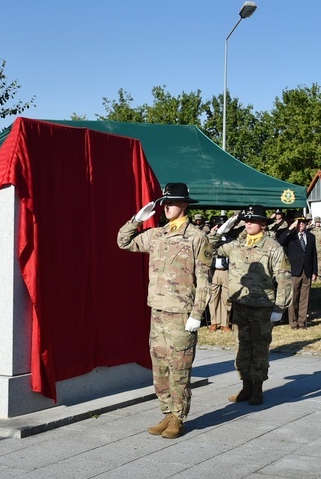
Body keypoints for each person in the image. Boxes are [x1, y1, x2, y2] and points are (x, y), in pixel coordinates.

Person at [117, 182, 212, 439]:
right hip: (157, 311)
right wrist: (137, 219)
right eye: (165, 203)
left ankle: (179, 416)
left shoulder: (197, 238)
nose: (166, 207)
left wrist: (196, 314)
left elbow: (204, 280)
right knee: (159, 367)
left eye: (171, 203)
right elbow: (122, 242)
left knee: (179, 367)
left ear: (184, 205)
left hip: (181, 314)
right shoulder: (157, 234)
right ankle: (167, 412)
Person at [214, 204, 292, 406]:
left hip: (262, 308)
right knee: (242, 348)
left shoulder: (273, 248)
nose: (248, 223)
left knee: (259, 349)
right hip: (240, 305)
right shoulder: (237, 245)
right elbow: (209, 249)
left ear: (263, 224)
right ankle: (246, 386)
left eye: (253, 220)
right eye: (246, 220)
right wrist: (222, 229)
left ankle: (257, 389)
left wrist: (279, 307)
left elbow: (284, 278)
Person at [278, 214, 317, 329]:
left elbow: (313, 254)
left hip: (307, 270)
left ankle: (302, 322)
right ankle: (293, 322)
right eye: (299, 223)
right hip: (294, 271)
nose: (301, 225)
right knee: (293, 298)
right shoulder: (291, 236)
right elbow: (280, 242)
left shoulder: (311, 236)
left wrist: (314, 271)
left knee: (304, 298)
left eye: (303, 223)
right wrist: (291, 228)